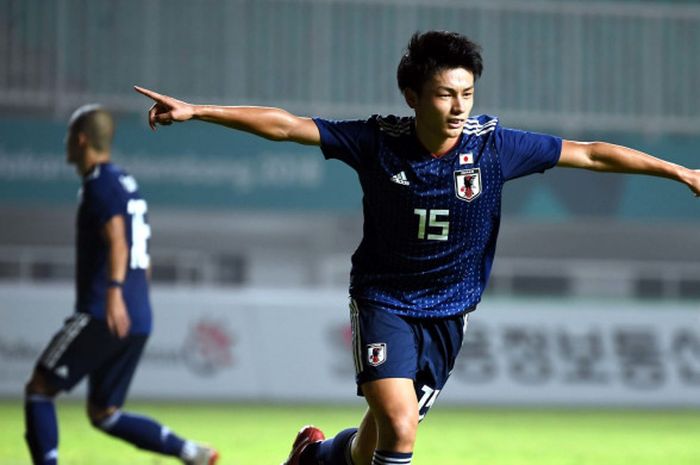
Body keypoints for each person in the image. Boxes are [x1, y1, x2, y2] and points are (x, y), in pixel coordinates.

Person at [134, 30, 700, 465]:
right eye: (445, 94)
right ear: (412, 95)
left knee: (376, 439)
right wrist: (198, 110)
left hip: (451, 312)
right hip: (385, 303)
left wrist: (680, 172)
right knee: (401, 426)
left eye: (467, 94)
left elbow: (594, 155)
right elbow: (286, 126)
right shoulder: (379, 141)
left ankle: (316, 455)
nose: (459, 107)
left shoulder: (494, 148)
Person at [24, 104, 219, 465]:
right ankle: (188, 451)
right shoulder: (127, 183)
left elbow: (118, 239)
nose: (67, 143)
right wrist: (132, 299)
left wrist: (113, 293)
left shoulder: (99, 185)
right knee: (105, 413)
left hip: (104, 311)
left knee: (39, 390)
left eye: (69, 137)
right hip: (137, 315)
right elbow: (138, 251)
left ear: (80, 140)